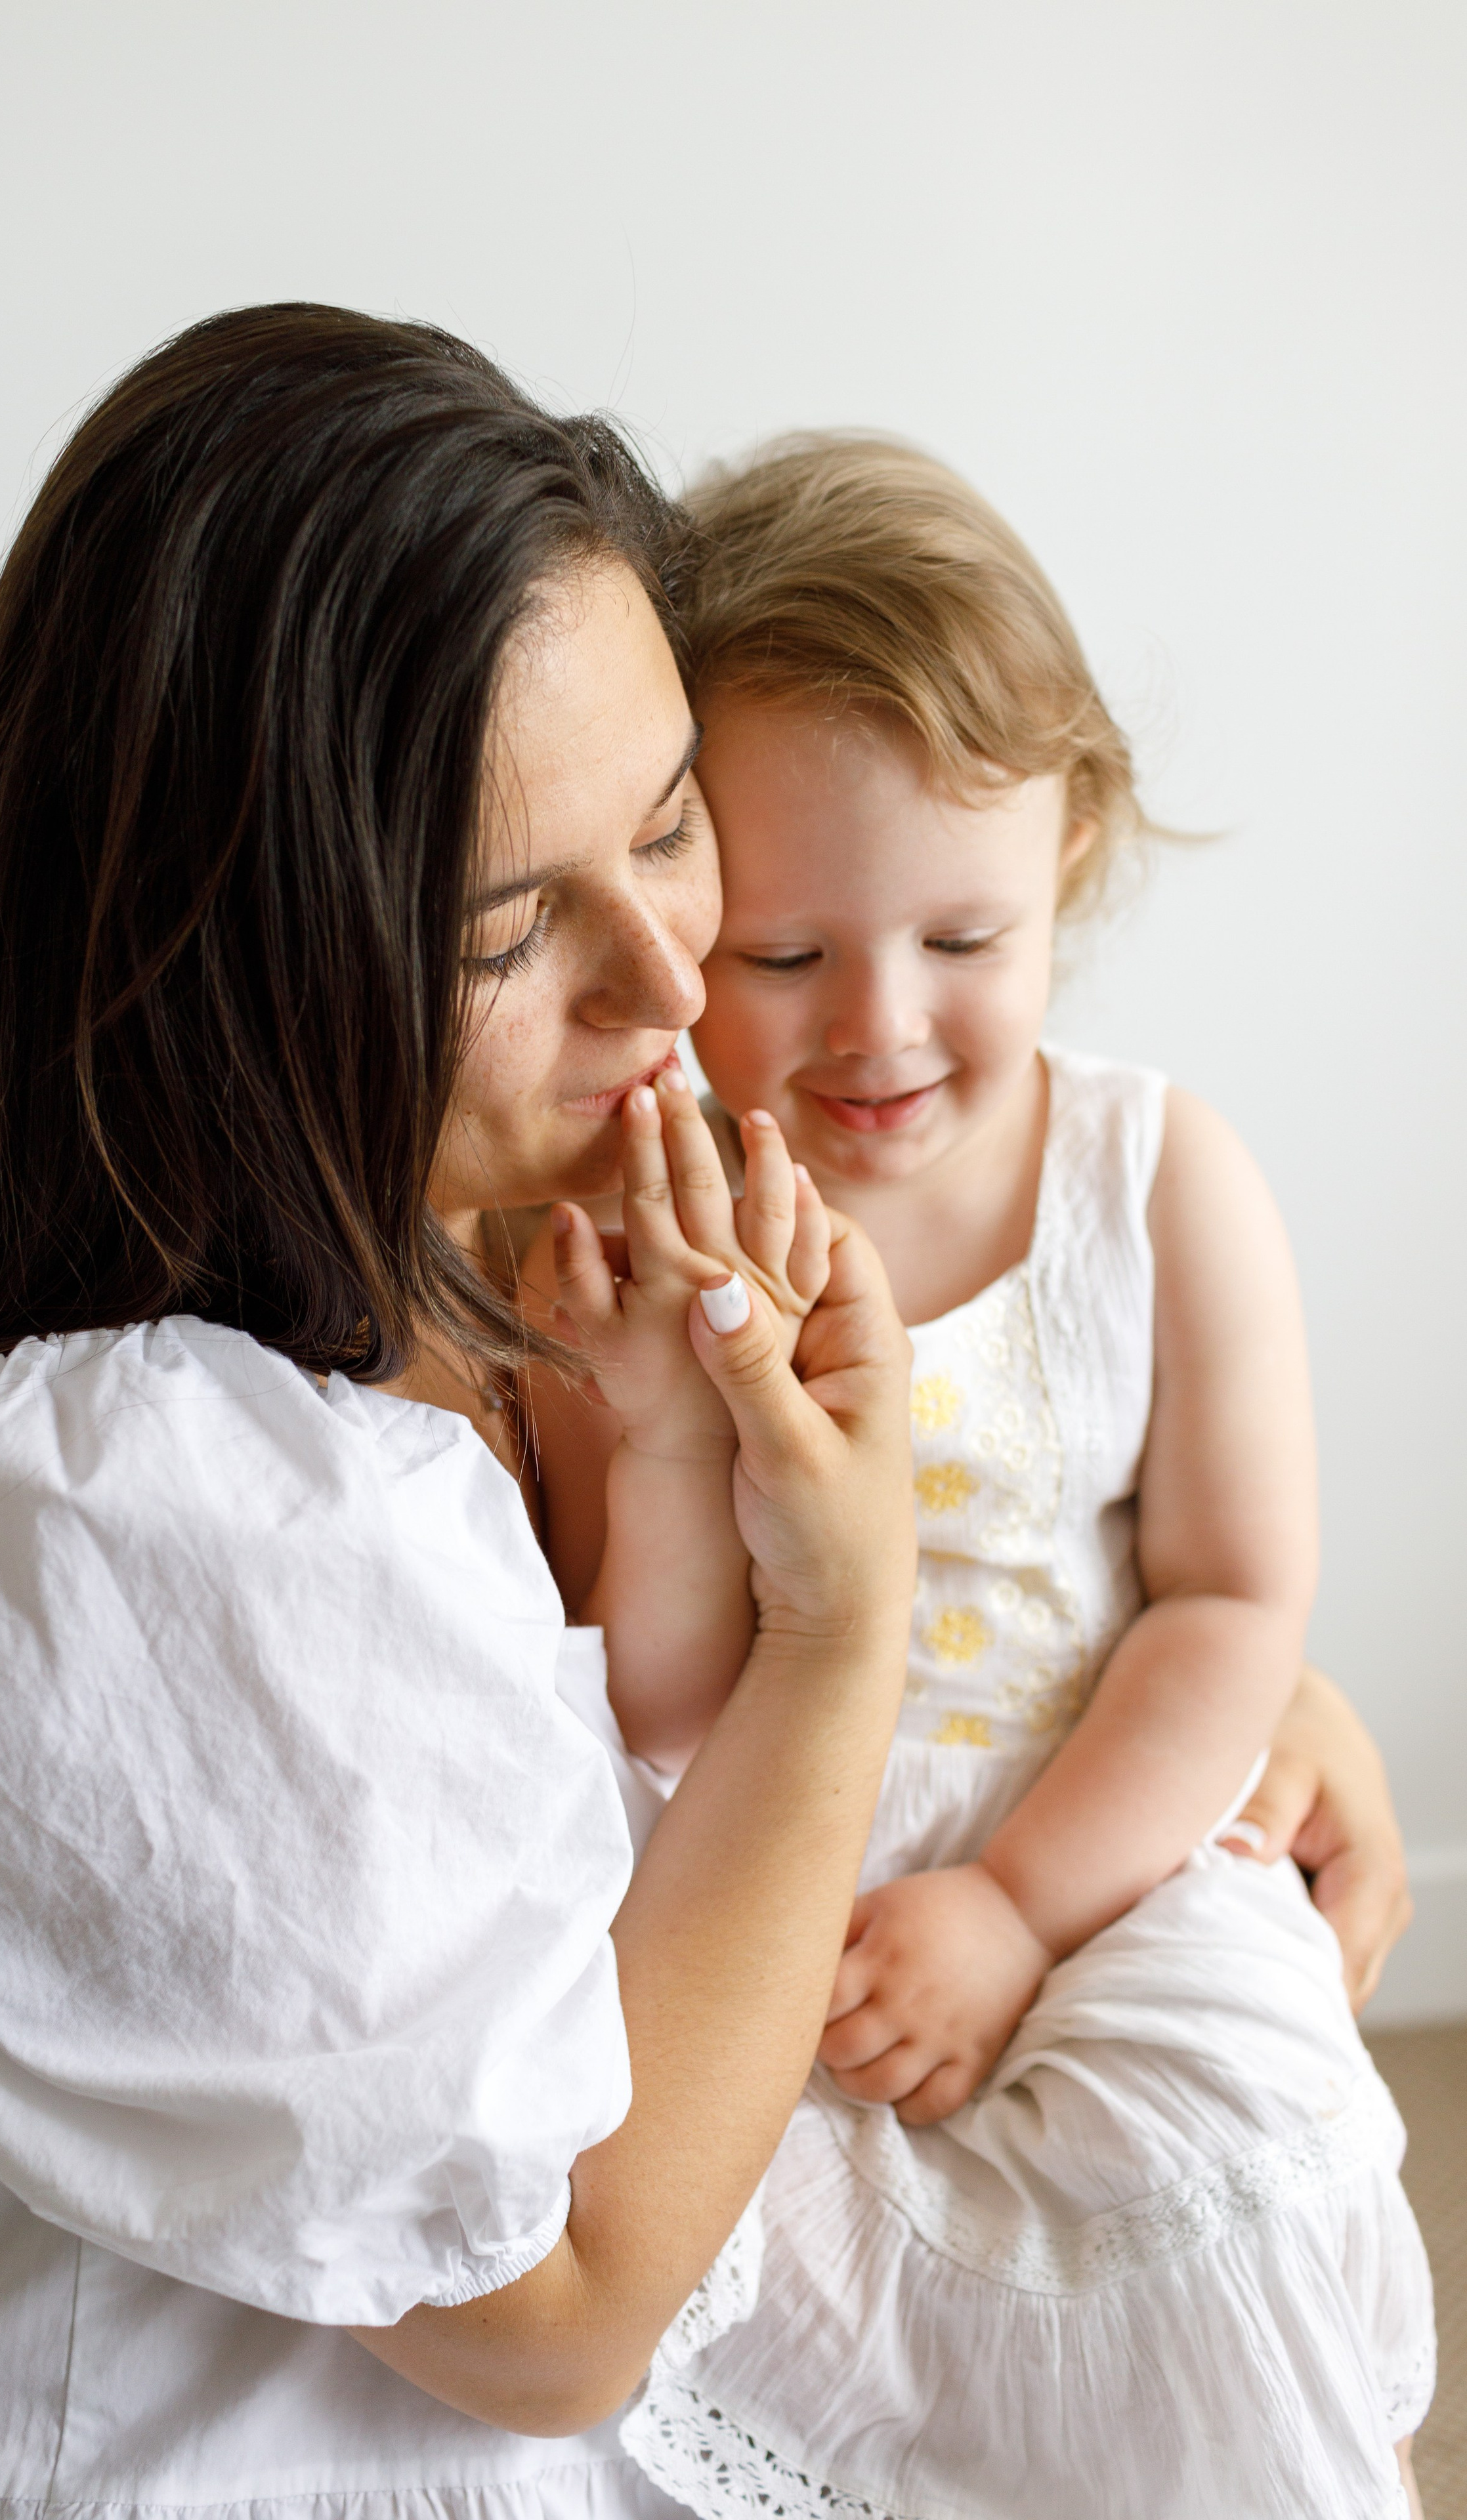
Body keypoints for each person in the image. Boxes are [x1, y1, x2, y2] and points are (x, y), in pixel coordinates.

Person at [0, 308, 924, 2519]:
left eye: (675, 822)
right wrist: (845, 1634)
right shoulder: (122, 1509)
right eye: (514, 935)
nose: (671, 982)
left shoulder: (484, 1238)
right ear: (227, 956)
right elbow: (566, 2305)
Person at [524, 437, 1434, 2519]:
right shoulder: (652, 1225)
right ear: (687, 910)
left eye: (963, 937)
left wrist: (1023, 1907)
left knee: (1242, 2166)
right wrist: (660, 1425)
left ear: (1074, 853)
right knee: (771, 2317)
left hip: (1101, 1830)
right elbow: (658, 1697)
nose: (882, 1027)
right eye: (786, 956)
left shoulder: (1152, 1177)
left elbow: (1227, 1604)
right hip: (770, 1872)